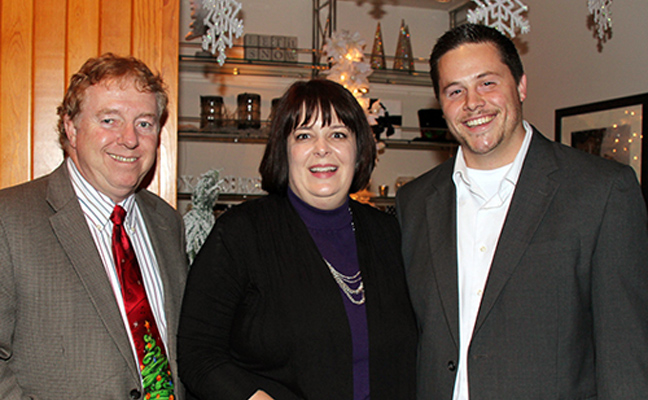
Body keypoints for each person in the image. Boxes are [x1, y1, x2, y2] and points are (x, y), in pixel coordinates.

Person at [396, 23, 648, 400]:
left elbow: (625, 356)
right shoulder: (414, 202)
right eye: (455, 90)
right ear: (441, 103)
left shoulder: (602, 191)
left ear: (521, 85)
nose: (472, 103)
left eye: (487, 83)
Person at [177, 78, 417, 400]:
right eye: (304, 135)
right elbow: (197, 353)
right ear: (284, 150)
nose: (322, 148)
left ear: (359, 149)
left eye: (338, 134)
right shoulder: (240, 234)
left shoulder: (390, 234)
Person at [0, 53, 188, 400]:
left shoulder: (167, 222)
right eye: (109, 120)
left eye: (144, 123)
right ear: (71, 129)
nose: (129, 139)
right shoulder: (9, 220)